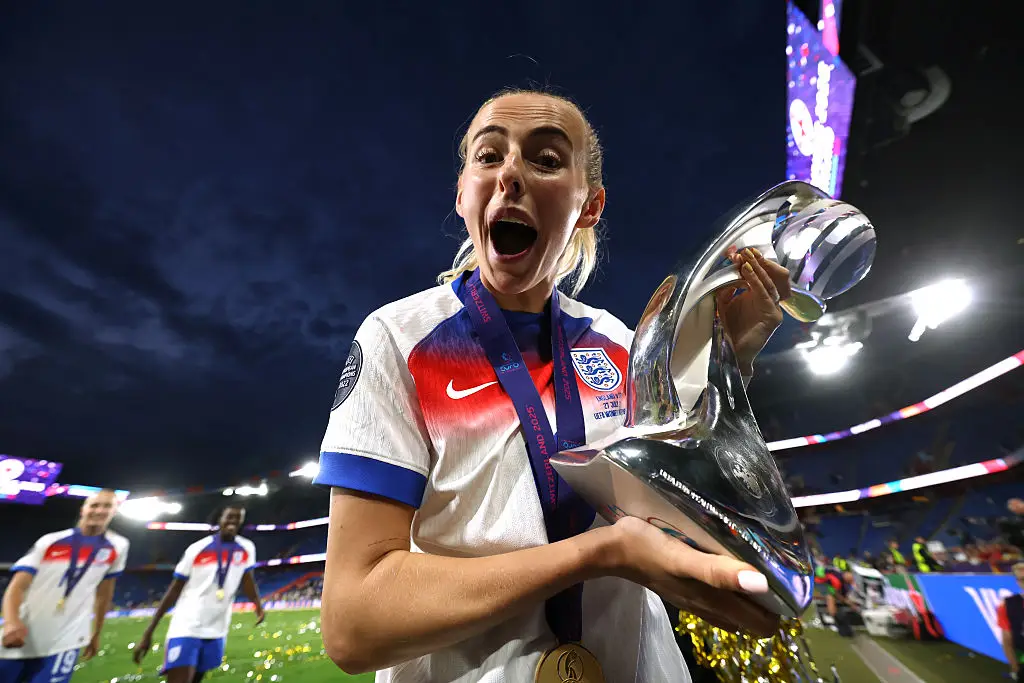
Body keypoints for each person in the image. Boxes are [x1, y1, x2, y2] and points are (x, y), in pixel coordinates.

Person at [314, 87, 793, 682]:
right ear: (463, 193)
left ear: (589, 206)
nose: (510, 173)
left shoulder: (620, 342)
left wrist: (725, 366)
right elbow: (354, 622)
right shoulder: (399, 338)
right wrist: (600, 554)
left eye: (544, 159)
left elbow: (697, 522)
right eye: (489, 156)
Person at [0, 489, 129, 683]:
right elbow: (17, 586)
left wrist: (96, 632)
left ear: (115, 511)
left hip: (67, 639)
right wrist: (11, 622)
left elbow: (104, 592)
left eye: (107, 506)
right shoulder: (51, 541)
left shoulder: (119, 546)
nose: (100, 510)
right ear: (83, 510)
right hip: (23, 633)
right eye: (94, 505)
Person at [133, 506, 264, 683]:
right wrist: (149, 631)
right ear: (219, 519)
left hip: (217, 628)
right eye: (229, 517)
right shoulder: (197, 548)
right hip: (187, 626)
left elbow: (247, 579)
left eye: (238, 518)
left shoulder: (247, 548)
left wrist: (257, 605)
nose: (233, 521)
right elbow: (175, 589)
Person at [997, 562, 1024, 681]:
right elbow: (1007, 641)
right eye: (1022, 579)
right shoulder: (1008, 605)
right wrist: (1015, 668)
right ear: (1018, 582)